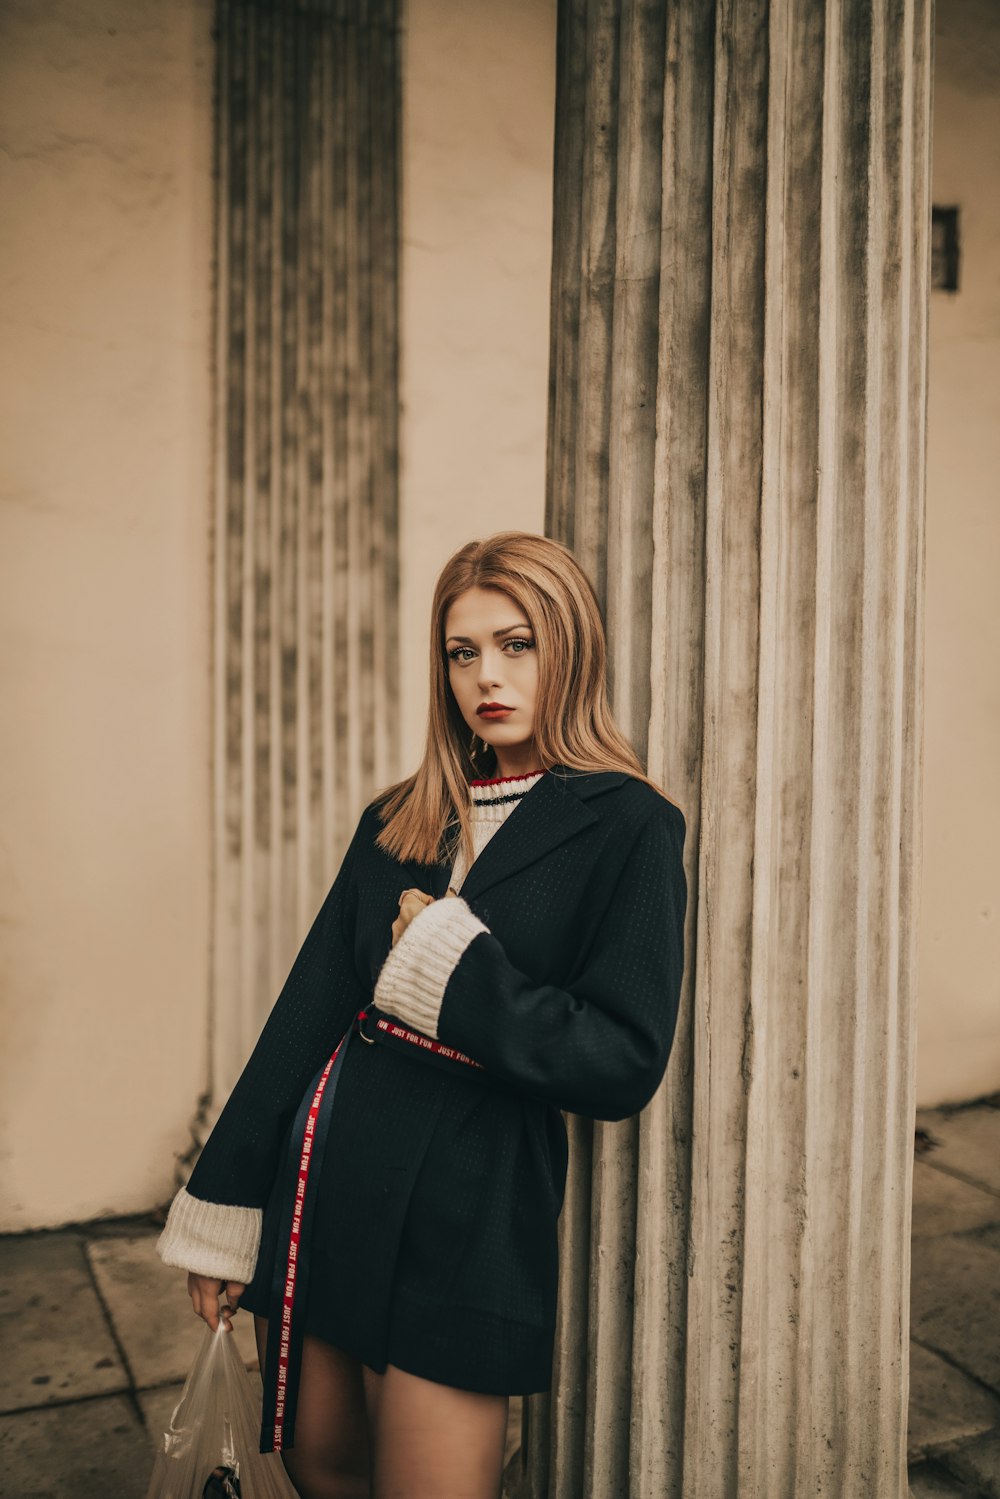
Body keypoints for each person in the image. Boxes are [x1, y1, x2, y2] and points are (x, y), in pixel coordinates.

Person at [156, 530, 688, 1499]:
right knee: (321, 1465)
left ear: (572, 647)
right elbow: (306, 1012)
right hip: (331, 1169)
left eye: (517, 642)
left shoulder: (629, 823)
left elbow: (622, 1058)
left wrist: (452, 967)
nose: (487, 674)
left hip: (473, 1192)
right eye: (462, 650)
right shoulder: (400, 816)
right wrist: (226, 1209)